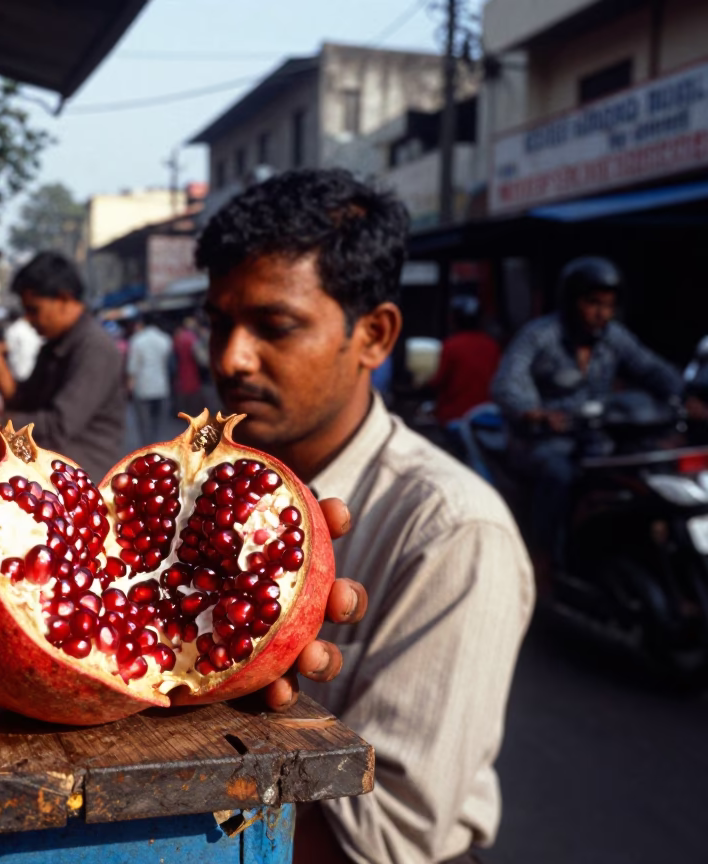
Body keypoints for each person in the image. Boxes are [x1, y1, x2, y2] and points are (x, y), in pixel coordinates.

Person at [196, 168, 533, 864]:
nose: (231, 357)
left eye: (275, 326)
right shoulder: (203, 494)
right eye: (219, 323)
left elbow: (389, 833)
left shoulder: (454, 532)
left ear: (374, 336)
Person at [491, 256, 684, 569]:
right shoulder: (540, 335)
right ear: (571, 301)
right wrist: (535, 413)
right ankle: (544, 561)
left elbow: (651, 368)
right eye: (593, 303)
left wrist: (685, 395)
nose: (601, 314)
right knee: (559, 473)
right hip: (541, 441)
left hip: (595, 439)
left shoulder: (613, 337)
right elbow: (507, 383)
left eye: (608, 306)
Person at [0, 251, 126, 480]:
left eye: (34, 310)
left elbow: (58, 426)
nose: (28, 319)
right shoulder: (54, 345)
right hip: (50, 475)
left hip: (85, 483)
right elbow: (22, 400)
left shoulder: (95, 348)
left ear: (64, 299)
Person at [431, 295, 501, 427]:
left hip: (456, 416)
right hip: (490, 414)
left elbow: (437, 380)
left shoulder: (451, 345)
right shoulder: (491, 345)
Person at [126, 313, 174, 445]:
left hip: (143, 386)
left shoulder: (137, 340)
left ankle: (147, 448)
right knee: (159, 422)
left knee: (144, 423)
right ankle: (159, 445)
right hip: (161, 385)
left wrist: (130, 385)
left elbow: (133, 366)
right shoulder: (165, 339)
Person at [172, 316, 205, 416]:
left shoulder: (178, 338)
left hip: (182, 372)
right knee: (194, 397)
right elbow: (200, 359)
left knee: (185, 396)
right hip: (193, 372)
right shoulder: (192, 338)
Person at [3, 309, 44, 383]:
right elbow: (7, 350)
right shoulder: (15, 329)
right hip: (17, 377)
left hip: (34, 378)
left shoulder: (38, 329)